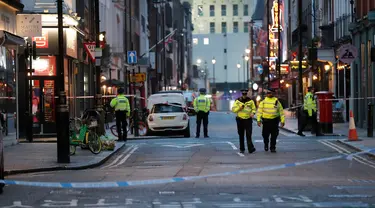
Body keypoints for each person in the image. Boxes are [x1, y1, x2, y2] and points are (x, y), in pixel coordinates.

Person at [231, 89, 256, 154]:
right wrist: (239, 108)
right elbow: (233, 110)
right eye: (243, 94)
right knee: (241, 135)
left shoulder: (250, 101)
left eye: (245, 94)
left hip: (248, 120)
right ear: (241, 94)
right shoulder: (238, 101)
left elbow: (254, 109)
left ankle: (250, 148)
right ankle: (242, 149)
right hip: (240, 120)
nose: (244, 95)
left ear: (246, 94)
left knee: (249, 134)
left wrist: (253, 113)